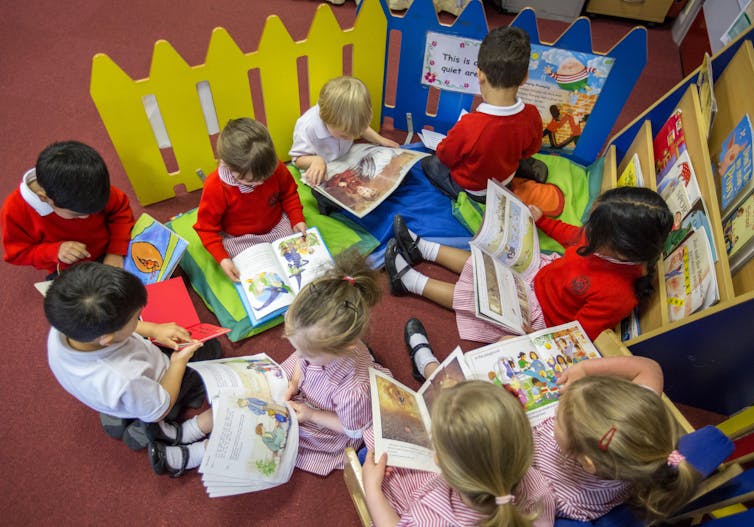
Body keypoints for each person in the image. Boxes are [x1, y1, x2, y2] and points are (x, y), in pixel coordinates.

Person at [387, 186, 673, 345]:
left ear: (623, 248)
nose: (587, 231)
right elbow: (572, 234)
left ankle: (410, 282)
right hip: (541, 275)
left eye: (594, 230)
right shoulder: (605, 239)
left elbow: (576, 336)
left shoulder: (618, 295)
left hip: (539, 318)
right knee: (484, 261)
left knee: (476, 297)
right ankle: (422, 248)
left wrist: (530, 341)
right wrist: (541, 220)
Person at [43, 262, 219, 452]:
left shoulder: (65, 329)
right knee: (210, 349)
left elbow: (118, 330)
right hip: (156, 389)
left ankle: (123, 413)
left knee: (131, 397)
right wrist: (178, 363)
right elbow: (162, 405)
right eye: (137, 318)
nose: (140, 319)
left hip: (113, 391)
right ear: (108, 339)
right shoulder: (124, 376)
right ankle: (150, 424)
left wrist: (154, 329)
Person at [362, 381, 556, 526]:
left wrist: (372, 491)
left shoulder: (428, 517)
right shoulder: (540, 490)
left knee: (371, 448)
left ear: (438, 460)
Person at [536, 355, 702, 522]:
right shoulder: (640, 414)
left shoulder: (564, 497)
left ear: (587, 462)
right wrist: (585, 369)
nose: (556, 411)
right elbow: (650, 368)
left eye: (558, 418)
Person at [420, 27, 564, 216]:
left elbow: (446, 156)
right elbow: (530, 149)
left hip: (476, 190)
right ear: (524, 78)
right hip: (506, 176)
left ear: (479, 74)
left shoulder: (469, 125)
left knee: (430, 164)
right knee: (517, 158)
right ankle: (526, 173)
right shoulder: (531, 114)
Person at [281, 248, 392, 476]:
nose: (299, 357)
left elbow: (351, 430)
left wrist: (311, 415)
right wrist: (293, 381)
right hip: (315, 391)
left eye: (306, 353)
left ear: (344, 348)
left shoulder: (352, 393)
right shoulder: (314, 345)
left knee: (287, 442)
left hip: (330, 417)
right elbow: (301, 364)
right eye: (296, 349)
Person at [193, 117, 307, 282]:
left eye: (264, 177)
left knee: (298, 251)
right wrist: (223, 259)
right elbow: (206, 228)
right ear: (227, 165)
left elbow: (289, 194)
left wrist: (297, 218)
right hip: (240, 238)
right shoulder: (215, 186)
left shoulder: (274, 167)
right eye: (250, 180)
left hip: (276, 225)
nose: (260, 183)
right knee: (253, 272)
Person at [1, 141, 135, 276]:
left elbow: (120, 210)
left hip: (113, 246)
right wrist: (54, 251)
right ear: (44, 198)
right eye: (76, 214)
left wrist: (115, 251)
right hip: (70, 267)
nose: (86, 218)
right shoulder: (14, 212)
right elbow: (18, 254)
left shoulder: (89, 184)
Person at [288, 75, 399, 214]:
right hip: (319, 168)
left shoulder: (344, 122)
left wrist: (380, 140)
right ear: (325, 118)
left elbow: (362, 128)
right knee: (333, 199)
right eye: (346, 135)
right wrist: (316, 161)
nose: (352, 137)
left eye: (355, 133)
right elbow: (297, 160)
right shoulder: (307, 126)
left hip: (346, 159)